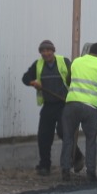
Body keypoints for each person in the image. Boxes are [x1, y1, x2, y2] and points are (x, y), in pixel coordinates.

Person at [60, 42, 97, 182]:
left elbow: (68, 80)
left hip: (71, 105)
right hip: (90, 108)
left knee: (68, 139)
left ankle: (65, 171)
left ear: (89, 51)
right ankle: (91, 173)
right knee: (91, 140)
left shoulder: (76, 62)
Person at [22, 39, 71, 176]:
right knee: (44, 136)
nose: (45, 53)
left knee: (64, 132)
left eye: (48, 50)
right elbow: (25, 78)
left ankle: (76, 156)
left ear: (53, 51)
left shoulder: (64, 62)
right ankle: (45, 165)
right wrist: (33, 83)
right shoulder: (38, 65)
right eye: (43, 51)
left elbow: (74, 79)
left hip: (63, 104)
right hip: (48, 105)